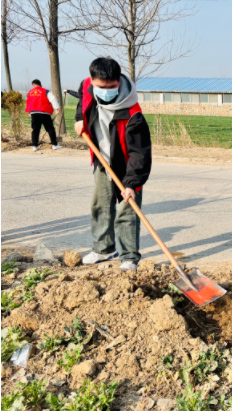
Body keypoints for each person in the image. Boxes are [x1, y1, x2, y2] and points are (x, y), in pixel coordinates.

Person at [74, 57, 152, 271]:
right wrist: (79, 118)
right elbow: (83, 98)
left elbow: (140, 153)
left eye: (112, 86)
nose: (106, 90)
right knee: (100, 205)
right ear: (92, 81)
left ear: (119, 81)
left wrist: (132, 183)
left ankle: (129, 257)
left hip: (128, 165)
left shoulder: (133, 114)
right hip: (101, 158)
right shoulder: (87, 86)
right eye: (101, 87)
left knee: (127, 210)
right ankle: (104, 249)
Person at [25, 79, 62, 152]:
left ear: (33, 85)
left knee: (35, 129)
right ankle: (54, 145)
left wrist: (29, 112)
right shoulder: (45, 91)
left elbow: (28, 102)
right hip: (44, 112)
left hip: (34, 113)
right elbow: (53, 99)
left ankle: (34, 146)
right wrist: (57, 108)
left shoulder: (29, 92)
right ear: (40, 85)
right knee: (50, 128)